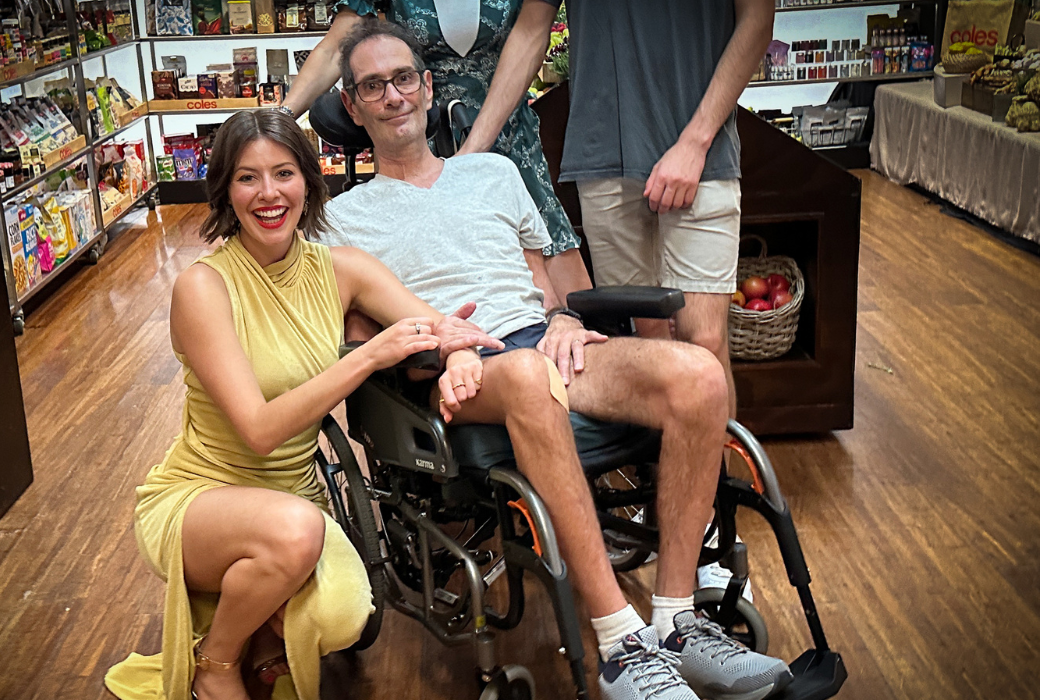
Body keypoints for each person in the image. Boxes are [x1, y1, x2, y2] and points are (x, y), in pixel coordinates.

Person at [315, 20, 793, 700]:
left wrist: (566, 317)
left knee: (700, 374)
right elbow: (360, 331)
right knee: (528, 374)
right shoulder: (344, 219)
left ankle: (676, 622)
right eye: (372, 86)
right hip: (461, 371)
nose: (392, 96)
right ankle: (621, 645)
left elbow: (545, 283)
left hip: (540, 343)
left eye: (403, 79)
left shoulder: (495, 174)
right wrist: (433, 348)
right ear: (353, 106)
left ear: (426, 87)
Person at [103, 110, 501, 700]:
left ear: (309, 184)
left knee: (343, 616)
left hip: (297, 498)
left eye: (284, 173)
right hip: (203, 497)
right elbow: (260, 431)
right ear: (224, 190)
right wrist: (365, 357)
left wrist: (459, 355)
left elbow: (437, 325)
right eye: (247, 178)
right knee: (294, 535)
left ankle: (256, 622)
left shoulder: (341, 270)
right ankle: (214, 666)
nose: (268, 193)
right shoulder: (203, 287)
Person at [282, 0, 593, 304]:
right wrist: (277, 120)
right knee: (447, 282)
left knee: (568, 304)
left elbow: (530, 34)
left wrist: (472, 151)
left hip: (510, 142)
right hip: (423, 143)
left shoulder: (501, 173)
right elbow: (336, 48)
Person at [558, 0, 775, 419]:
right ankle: (655, 475)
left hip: (704, 156)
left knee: (706, 343)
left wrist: (695, 143)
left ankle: (716, 483)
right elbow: (532, 28)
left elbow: (758, 19)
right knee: (640, 348)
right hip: (603, 155)